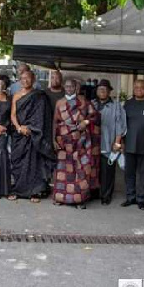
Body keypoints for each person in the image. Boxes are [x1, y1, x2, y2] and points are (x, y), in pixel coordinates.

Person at [51, 79, 100, 208]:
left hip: (80, 141)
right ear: (64, 87)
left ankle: (80, 200)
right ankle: (61, 198)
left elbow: (95, 116)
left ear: (76, 87)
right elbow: (55, 122)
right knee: (63, 170)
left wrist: (86, 122)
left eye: (71, 86)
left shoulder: (84, 102)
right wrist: (53, 140)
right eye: (66, 86)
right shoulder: (59, 102)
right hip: (63, 141)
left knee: (80, 170)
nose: (69, 88)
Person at [9, 70, 55, 203]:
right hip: (19, 134)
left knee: (35, 163)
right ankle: (19, 190)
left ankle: (35, 191)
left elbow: (43, 117)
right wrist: (19, 127)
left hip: (34, 135)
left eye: (28, 78)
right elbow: (13, 114)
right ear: (19, 80)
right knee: (18, 162)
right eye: (22, 78)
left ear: (33, 79)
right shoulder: (16, 95)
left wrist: (31, 129)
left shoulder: (39, 96)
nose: (25, 81)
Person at [121, 79, 144, 210]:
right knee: (129, 173)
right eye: (136, 87)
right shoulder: (128, 104)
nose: (138, 89)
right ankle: (130, 197)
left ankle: (141, 199)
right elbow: (123, 124)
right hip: (129, 144)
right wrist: (121, 142)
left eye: (141, 87)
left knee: (143, 174)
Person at [92, 79, 126, 205]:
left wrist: (117, 143)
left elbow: (120, 126)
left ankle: (106, 196)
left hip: (109, 144)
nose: (102, 91)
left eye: (105, 89)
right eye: (100, 89)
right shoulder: (92, 104)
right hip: (93, 145)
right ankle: (94, 193)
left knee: (108, 172)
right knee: (94, 170)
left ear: (109, 91)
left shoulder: (116, 106)